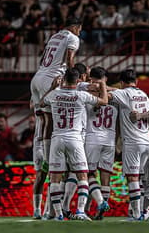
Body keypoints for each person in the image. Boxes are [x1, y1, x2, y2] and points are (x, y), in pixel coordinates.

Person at [29, 17, 82, 218]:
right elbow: (69, 58)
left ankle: (40, 148)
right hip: (52, 77)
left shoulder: (54, 35)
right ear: (77, 27)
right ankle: (48, 152)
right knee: (54, 115)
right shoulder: (73, 38)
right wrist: (73, 75)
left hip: (37, 77)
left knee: (41, 114)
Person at [40, 67, 108, 221]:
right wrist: (102, 85)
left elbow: (41, 103)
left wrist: (52, 87)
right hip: (75, 139)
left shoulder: (55, 94)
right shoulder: (81, 95)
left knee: (55, 178)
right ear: (78, 81)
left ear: (63, 79)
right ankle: (80, 211)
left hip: (57, 138)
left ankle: (58, 214)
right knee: (82, 175)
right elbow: (104, 101)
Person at [108, 69, 149, 221]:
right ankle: (140, 211)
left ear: (121, 82)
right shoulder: (145, 95)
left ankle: (136, 214)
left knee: (132, 178)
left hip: (133, 142)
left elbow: (107, 94)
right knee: (139, 179)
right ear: (136, 82)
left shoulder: (123, 93)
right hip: (146, 141)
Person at [83, 66, 117, 220]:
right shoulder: (116, 95)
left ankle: (100, 202)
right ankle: (100, 210)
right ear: (106, 79)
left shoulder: (87, 92)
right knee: (105, 177)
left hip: (92, 138)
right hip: (110, 140)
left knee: (88, 174)